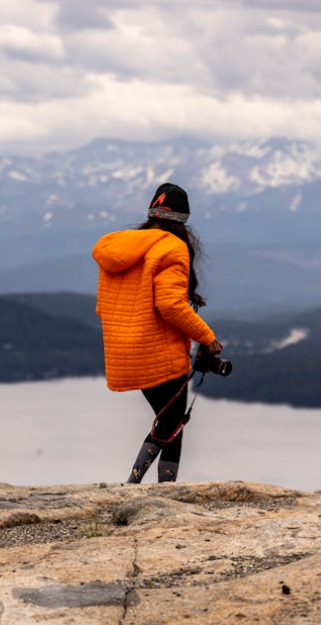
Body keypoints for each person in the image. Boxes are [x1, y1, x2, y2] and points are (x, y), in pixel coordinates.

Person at [92, 183, 223, 483]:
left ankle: (152, 488)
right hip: (159, 351)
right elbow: (171, 305)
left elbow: (103, 307)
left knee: (170, 421)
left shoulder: (120, 248)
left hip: (123, 351)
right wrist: (207, 337)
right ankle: (142, 487)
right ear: (182, 221)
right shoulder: (172, 247)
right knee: (171, 425)